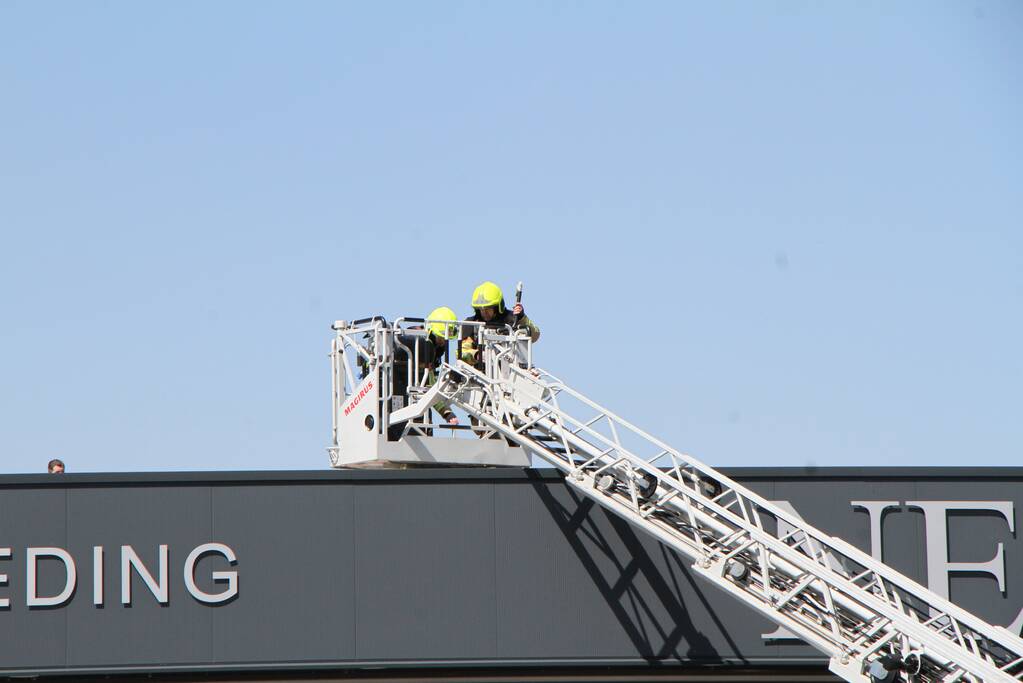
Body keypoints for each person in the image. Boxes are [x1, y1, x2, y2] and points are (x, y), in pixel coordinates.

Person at [461, 281, 539, 365]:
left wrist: (522, 318)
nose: (484, 312)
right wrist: (477, 355)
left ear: (497, 307)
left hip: (511, 369)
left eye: (488, 308)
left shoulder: (513, 319)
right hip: (480, 372)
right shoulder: (471, 323)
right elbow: (461, 352)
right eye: (481, 309)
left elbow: (535, 335)